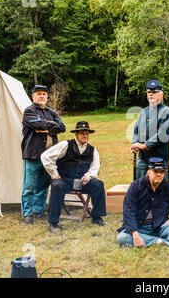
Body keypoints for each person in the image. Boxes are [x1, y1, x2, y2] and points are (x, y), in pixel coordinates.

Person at [41, 121, 107, 233]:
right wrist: (54, 174)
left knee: (98, 184)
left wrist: (89, 176)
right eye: (82, 133)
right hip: (65, 180)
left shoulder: (92, 150)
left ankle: (97, 218)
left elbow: (95, 167)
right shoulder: (65, 145)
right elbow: (45, 156)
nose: (85, 136)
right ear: (76, 134)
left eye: (87, 133)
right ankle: (53, 223)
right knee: (56, 186)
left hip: (82, 182)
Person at [21, 85, 66, 225]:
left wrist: (44, 129)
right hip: (33, 155)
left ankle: (38, 211)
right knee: (29, 187)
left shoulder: (52, 112)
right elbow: (38, 124)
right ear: (33, 96)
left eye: (44, 94)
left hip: (49, 158)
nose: (42, 96)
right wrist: (49, 126)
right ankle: (27, 214)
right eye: (39, 94)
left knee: (43, 185)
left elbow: (62, 127)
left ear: (47, 97)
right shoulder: (29, 111)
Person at [131, 80, 169, 180]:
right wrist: (135, 143)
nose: (151, 94)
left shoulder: (166, 112)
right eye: (149, 92)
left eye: (154, 92)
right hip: (143, 159)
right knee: (141, 189)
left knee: (160, 190)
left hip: (159, 158)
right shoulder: (143, 112)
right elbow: (136, 130)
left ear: (161, 95)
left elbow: (162, 134)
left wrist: (145, 145)